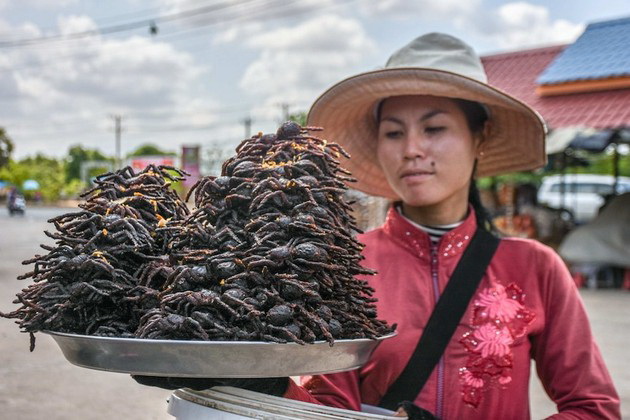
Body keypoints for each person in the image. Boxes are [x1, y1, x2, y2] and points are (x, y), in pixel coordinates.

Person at [135, 33, 620, 419]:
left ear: (480, 136)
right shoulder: (341, 265)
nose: (412, 148)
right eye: (394, 132)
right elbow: (332, 412)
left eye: (434, 128)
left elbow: (594, 409)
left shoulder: (536, 266)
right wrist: (259, 383)